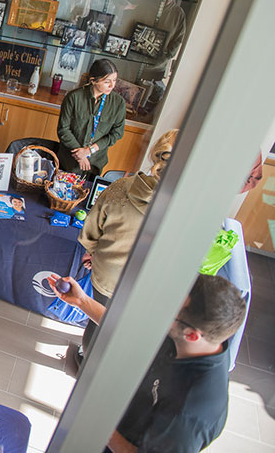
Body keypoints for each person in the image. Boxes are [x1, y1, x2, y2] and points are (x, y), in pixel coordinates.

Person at [48, 272, 246, 452]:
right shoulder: (195, 337)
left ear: (192, 336)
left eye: (170, 312)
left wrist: (102, 422)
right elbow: (130, 332)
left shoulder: (188, 413)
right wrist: (82, 301)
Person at [78, 129, 178, 354]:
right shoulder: (185, 208)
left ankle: (86, 361)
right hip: (148, 285)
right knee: (129, 332)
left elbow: (90, 231)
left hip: (107, 274)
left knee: (97, 321)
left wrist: (94, 253)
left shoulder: (119, 188)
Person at [57, 59, 125, 175]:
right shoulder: (73, 97)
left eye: (114, 80)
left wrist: (89, 150)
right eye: (107, 81)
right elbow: (63, 129)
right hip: (68, 161)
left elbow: (117, 133)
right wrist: (80, 155)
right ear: (93, 81)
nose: (112, 85)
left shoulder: (118, 103)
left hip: (95, 163)